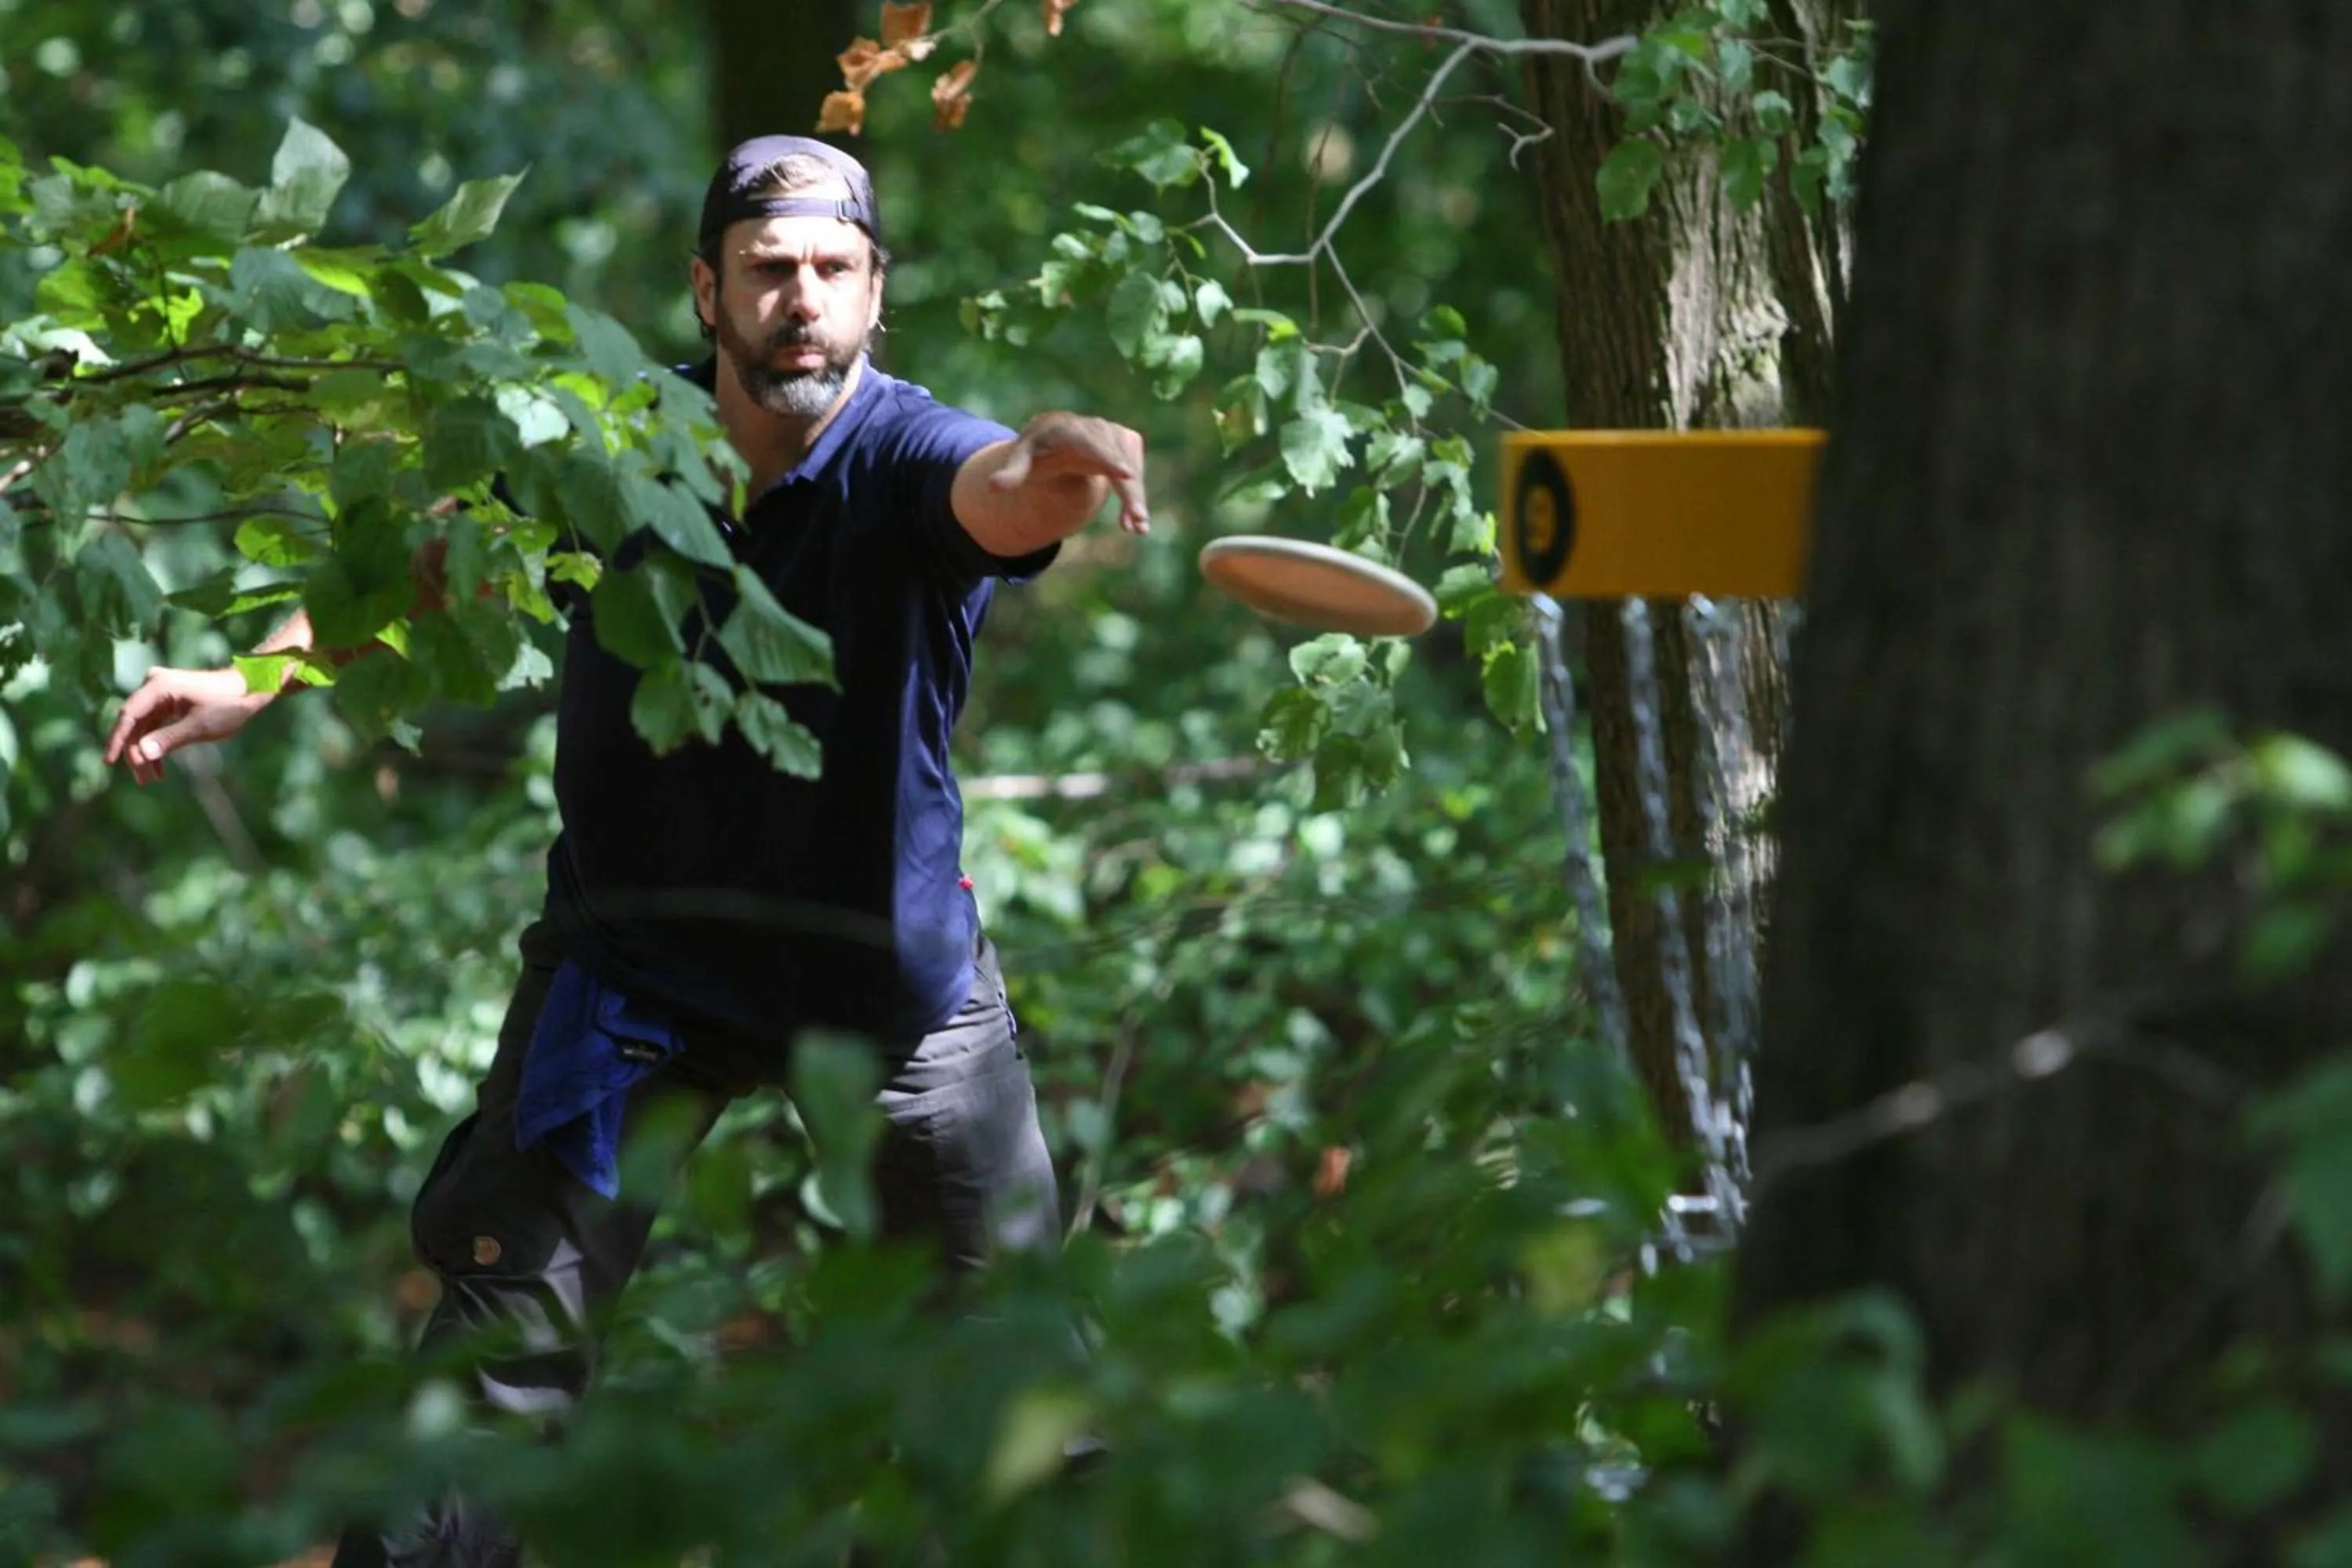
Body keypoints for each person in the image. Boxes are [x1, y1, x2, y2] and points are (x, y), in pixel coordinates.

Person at [104, 135, 1150, 1565]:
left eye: (833, 272)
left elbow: (1010, 485)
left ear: (875, 294)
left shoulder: (913, 452)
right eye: (769, 270)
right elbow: (431, 572)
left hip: (888, 990)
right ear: (706, 292)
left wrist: (1071, 458)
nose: (802, 300)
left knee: (1026, 1401)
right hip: (633, 973)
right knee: (484, 1392)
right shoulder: (610, 441)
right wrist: (252, 681)